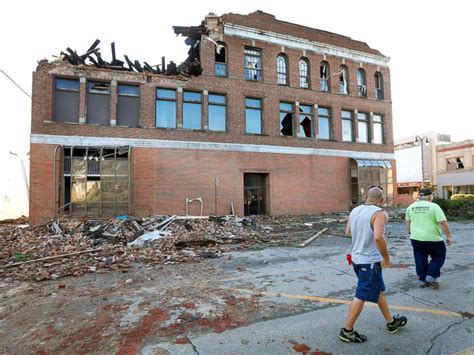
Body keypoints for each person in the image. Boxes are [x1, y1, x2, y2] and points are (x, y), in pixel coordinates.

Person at [339, 186, 407, 343]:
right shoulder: (379, 213)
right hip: (369, 261)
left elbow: (348, 232)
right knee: (362, 294)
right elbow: (378, 238)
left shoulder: (355, 211)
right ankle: (347, 330)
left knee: (378, 291)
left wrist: (362, 235)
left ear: (366, 197)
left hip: (356, 259)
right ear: (381, 200)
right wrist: (387, 259)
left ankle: (391, 323)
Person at [406, 188, 453, 289]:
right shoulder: (434, 206)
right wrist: (448, 236)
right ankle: (431, 276)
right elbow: (442, 222)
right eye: (432, 196)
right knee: (438, 256)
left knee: (420, 258)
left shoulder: (411, 207)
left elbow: (408, 222)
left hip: (416, 238)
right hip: (433, 238)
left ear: (419, 196)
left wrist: (410, 232)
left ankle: (421, 280)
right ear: (429, 196)